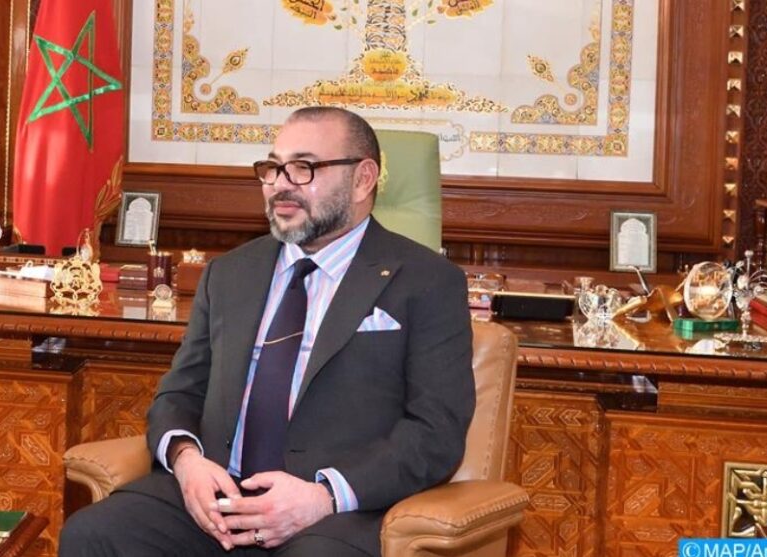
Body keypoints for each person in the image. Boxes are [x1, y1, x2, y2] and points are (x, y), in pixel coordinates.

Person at [60, 106, 474, 556]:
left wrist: (324, 495)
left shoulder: (427, 282)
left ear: (362, 179)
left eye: (303, 168)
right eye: (272, 168)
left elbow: (436, 431)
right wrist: (187, 460)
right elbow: (180, 393)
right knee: (94, 534)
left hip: (335, 511)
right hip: (219, 496)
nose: (280, 184)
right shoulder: (230, 273)